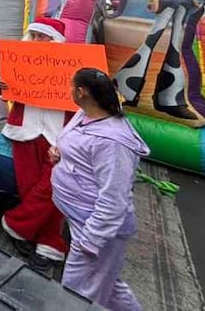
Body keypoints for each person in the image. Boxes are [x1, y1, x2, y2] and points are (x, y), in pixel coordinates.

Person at [51, 68, 148, 310]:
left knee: (77, 292)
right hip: (80, 220)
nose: (69, 89)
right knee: (107, 284)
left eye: (71, 85)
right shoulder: (85, 114)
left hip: (96, 231)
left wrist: (91, 240)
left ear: (81, 92)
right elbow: (78, 148)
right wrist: (60, 153)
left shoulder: (113, 143)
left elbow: (114, 200)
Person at [0, 17, 71, 271]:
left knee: (54, 188)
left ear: (56, 40)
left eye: (45, 36)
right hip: (25, 131)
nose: (39, 41)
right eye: (36, 36)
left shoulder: (73, 66)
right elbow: (9, 92)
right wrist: (3, 86)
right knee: (29, 186)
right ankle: (48, 243)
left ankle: (17, 225)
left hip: (58, 136)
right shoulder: (21, 59)